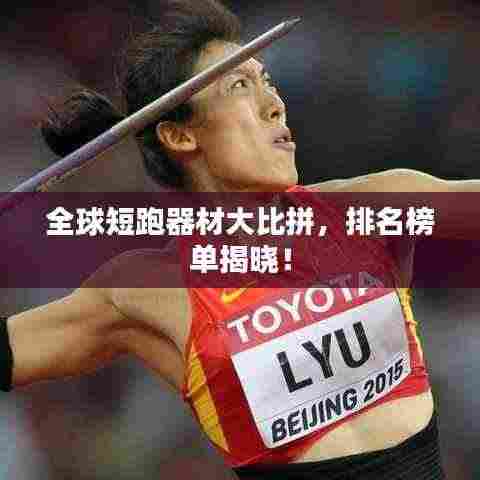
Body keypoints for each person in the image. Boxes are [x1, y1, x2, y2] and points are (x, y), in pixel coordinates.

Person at [3, 0, 478, 478]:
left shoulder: (373, 207)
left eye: (267, 81)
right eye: (239, 86)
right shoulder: (146, 287)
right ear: (180, 136)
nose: (275, 104)